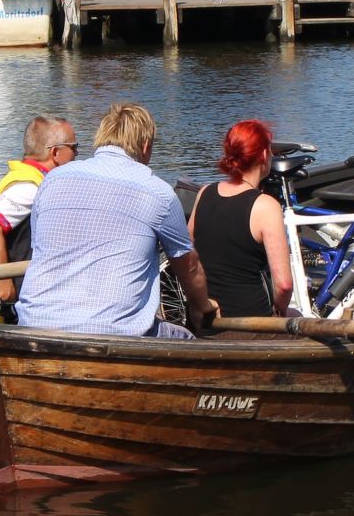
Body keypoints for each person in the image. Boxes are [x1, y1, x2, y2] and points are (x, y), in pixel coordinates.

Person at [16, 103, 217, 339]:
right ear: (145, 146)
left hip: (34, 327)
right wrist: (201, 307)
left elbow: (39, 248)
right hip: (115, 335)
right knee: (189, 340)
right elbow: (189, 266)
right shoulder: (158, 193)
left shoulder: (52, 180)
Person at [0, 115, 77, 321]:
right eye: (74, 147)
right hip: (9, 313)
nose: (77, 154)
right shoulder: (28, 187)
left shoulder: (37, 180)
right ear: (55, 152)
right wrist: (5, 291)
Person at [188, 119, 294, 319]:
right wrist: (279, 311)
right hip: (251, 325)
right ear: (264, 155)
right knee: (303, 321)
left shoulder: (204, 193)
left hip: (207, 321)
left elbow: (188, 258)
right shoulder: (266, 206)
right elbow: (284, 285)